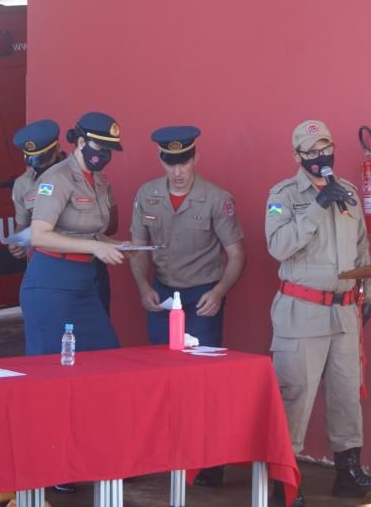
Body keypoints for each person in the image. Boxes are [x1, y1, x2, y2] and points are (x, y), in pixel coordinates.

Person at [265, 120, 371, 505]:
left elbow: (361, 248)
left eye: (325, 148)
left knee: (347, 395)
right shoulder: (283, 195)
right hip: (302, 311)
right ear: (298, 156)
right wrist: (315, 208)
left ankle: (348, 470)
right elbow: (278, 246)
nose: (320, 157)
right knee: (295, 396)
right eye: (311, 152)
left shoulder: (346, 192)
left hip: (344, 312)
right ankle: (284, 481)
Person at [129, 125, 246, 487]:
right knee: (161, 377)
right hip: (164, 298)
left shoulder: (216, 198)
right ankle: (166, 452)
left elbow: (237, 253)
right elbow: (137, 246)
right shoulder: (147, 195)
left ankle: (209, 461)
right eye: (169, 162)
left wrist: (221, 291)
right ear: (160, 160)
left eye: (183, 161)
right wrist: (142, 285)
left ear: (195, 157)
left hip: (202, 298)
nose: (177, 170)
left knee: (204, 382)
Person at [22, 111, 125, 355]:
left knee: (106, 355)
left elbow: (90, 234)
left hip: (85, 282)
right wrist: (96, 248)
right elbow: (39, 235)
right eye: (100, 148)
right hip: (51, 283)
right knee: (50, 367)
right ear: (80, 143)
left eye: (109, 150)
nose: (105, 156)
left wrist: (116, 246)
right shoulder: (57, 178)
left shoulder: (97, 179)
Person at [9, 119, 66, 259]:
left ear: (58, 148)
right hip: (43, 259)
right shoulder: (23, 184)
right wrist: (18, 242)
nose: (40, 166)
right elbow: (22, 224)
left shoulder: (79, 174)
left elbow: (110, 226)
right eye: (34, 160)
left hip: (78, 259)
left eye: (44, 159)